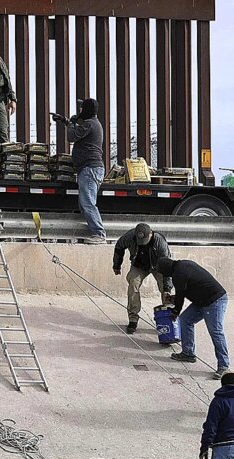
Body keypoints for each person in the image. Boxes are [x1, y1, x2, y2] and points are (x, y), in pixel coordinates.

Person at [157, 257, 230, 379]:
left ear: (166, 270)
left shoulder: (178, 274)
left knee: (216, 332)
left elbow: (181, 295)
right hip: (201, 301)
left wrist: (175, 311)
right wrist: (174, 299)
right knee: (185, 320)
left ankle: (224, 366)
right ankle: (188, 353)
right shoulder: (182, 265)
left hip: (214, 301)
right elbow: (187, 290)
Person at [54, 99, 106, 244]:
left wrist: (71, 123)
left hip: (90, 169)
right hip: (89, 169)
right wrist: (65, 121)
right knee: (85, 204)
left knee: (88, 203)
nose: (80, 110)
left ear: (87, 110)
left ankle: (99, 233)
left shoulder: (90, 124)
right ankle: (96, 232)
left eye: (82, 108)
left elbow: (72, 136)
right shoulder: (92, 124)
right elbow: (77, 130)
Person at [112, 223, 173, 333]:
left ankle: (168, 319)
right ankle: (133, 319)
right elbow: (119, 247)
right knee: (133, 284)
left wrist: (167, 287)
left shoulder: (160, 242)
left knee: (166, 290)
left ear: (151, 234)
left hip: (158, 266)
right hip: (139, 266)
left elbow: (167, 265)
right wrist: (117, 265)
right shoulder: (130, 236)